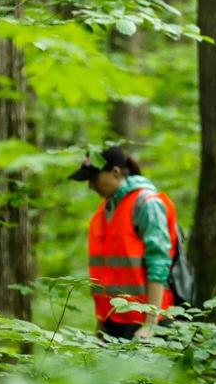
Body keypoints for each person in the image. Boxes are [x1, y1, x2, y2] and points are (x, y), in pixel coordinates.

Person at [69, 146, 178, 340]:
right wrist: (101, 323)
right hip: (113, 322)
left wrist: (150, 324)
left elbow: (158, 264)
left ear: (115, 172)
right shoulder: (104, 212)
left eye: (94, 178)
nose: (91, 186)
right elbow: (106, 273)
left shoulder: (146, 204)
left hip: (144, 323)